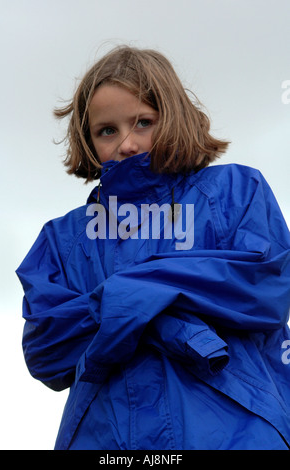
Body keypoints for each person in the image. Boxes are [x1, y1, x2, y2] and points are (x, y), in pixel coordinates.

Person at [16, 45, 290, 450]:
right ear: (88, 141)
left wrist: (127, 297)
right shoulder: (62, 240)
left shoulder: (235, 191)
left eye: (143, 122)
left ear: (174, 117)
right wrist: (164, 312)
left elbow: (265, 291)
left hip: (236, 431)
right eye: (107, 130)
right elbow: (46, 349)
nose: (128, 144)